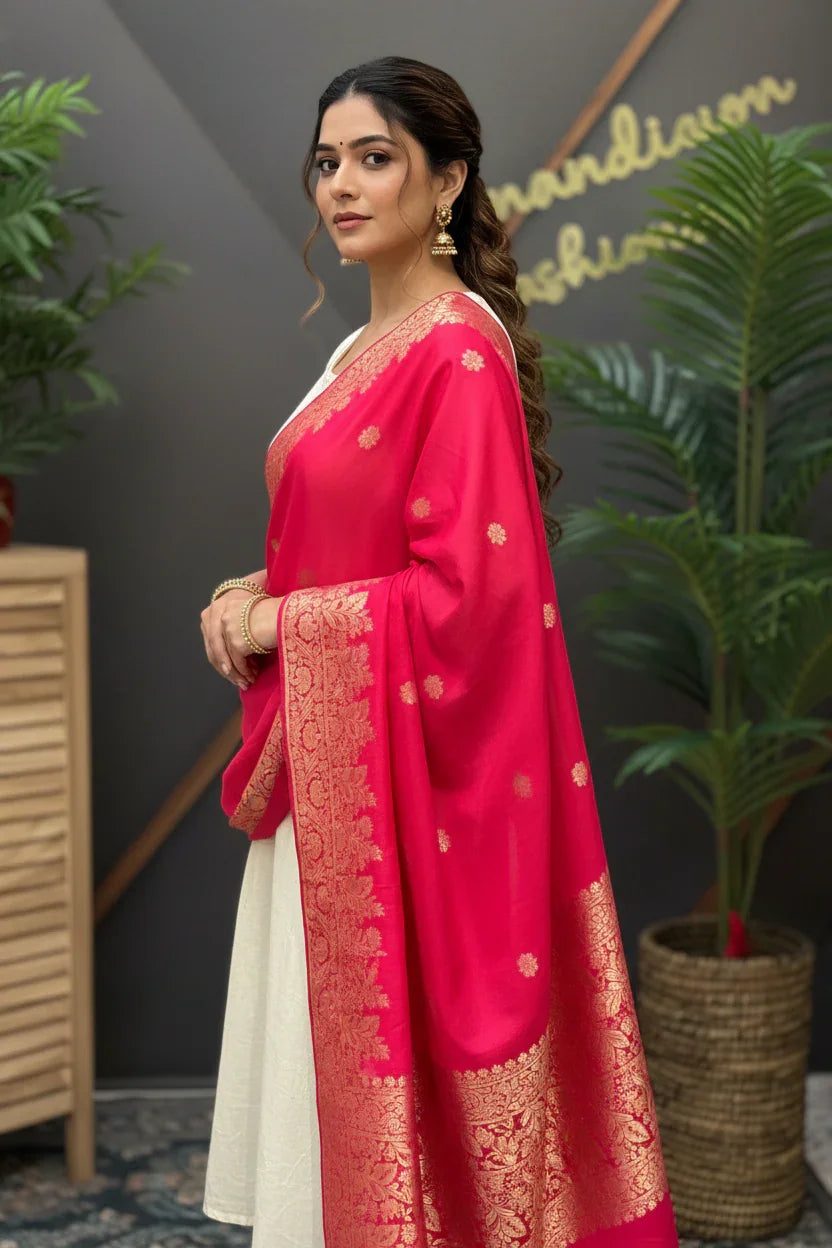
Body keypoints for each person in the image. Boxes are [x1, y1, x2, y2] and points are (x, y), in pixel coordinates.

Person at [199, 54, 679, 1248]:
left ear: (449, 179)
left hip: (388, 802)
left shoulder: (456, 347)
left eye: (375, 158)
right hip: (332, 775)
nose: (341, 185)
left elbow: (472, 603)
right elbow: (354, 542)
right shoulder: (366, 344)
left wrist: (278, 626)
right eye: (326, 161)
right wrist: (255, 591)